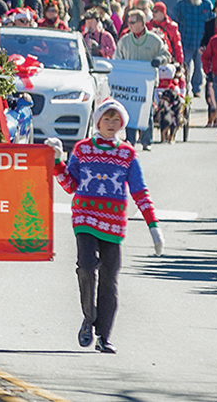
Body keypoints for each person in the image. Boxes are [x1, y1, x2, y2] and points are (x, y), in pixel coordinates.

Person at [52, 99, 163, 354]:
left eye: (117, 120)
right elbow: (70, 185)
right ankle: (88, 319)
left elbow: (139, 191)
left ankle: (104, 335)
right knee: (86, 268)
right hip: (85, 219)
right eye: (107, 119)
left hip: (113, 225)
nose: (112, 124)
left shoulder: (127, 154)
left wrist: (153, 226)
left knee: (110, 280)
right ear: (98, 122)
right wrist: (57, 161)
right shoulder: (82, 150)